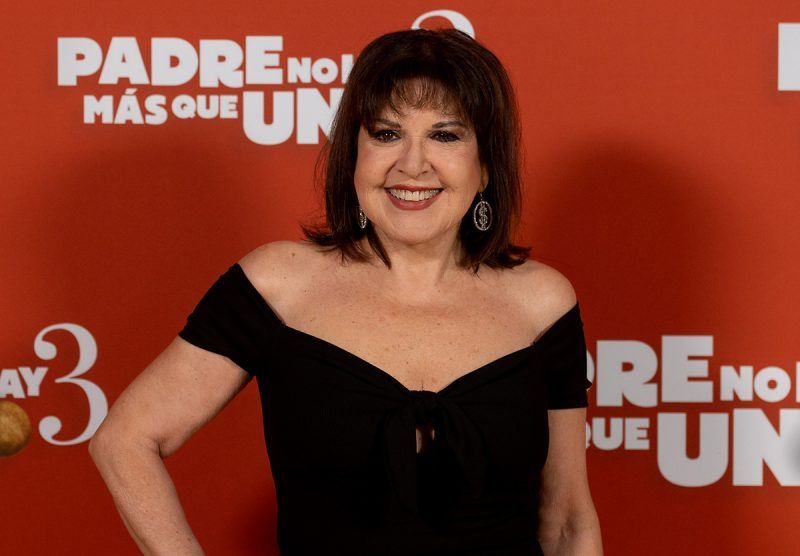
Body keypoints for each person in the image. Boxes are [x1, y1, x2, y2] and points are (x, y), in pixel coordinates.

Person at [89, 28, 603, 555]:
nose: (412, 164)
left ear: (486, 166)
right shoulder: (278, 285)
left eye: (445, 136)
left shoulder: (543, 304)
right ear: (353, 155)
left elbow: (567, 521)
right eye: (386, 133)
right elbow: (125, 441)